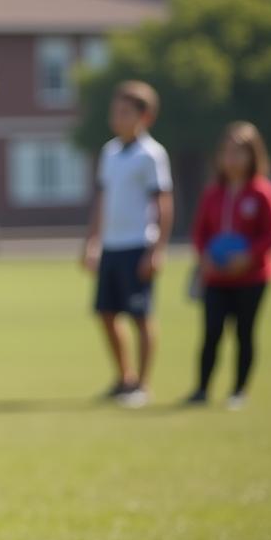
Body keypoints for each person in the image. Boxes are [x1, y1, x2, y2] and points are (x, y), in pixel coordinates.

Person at [82, 81, 173, 408]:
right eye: (115, 111)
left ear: (144, 117)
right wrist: (91, 241)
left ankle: (143, 386)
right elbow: (102, 199)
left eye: (124, 112)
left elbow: (163, 202)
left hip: (138, 245)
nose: (117, 118)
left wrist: (157, 249)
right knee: (106, 313)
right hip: (112, 246)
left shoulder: (152, 155)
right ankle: (125, 378)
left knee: (140, 316)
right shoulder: (109, 152)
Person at [186, 122, 271, 409]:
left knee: (244, 332)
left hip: (251, 277)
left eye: (239, 153)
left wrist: (248, 256)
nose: (232, 159)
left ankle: (239, 390)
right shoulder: (213, 192)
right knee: (211, 331)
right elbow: (199, 232)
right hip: (216, 277)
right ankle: (202, 389)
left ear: (253, 156)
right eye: (227, 152)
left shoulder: (262, 192)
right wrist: (205, 256)